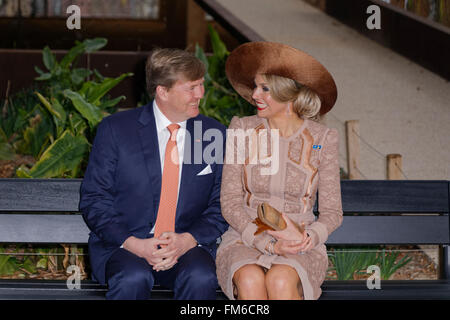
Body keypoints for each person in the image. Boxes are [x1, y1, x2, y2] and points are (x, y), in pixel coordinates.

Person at [80, 48, 228, 300]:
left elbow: (221, 202)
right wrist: (134, 244)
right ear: (163, 91)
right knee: (132, 279)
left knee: (201, 277)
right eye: (191, 88)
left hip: (186, 246)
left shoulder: (212, 133)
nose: (200, 94)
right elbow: (95, 198)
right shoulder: (116, 130)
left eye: (201, 85)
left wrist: (187, 240)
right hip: (125, 246)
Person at [216, 42, 343, 300]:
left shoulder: (323, 138)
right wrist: (267, 243)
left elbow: (332, 212)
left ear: (288, 94)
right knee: (250, 279)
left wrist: (309, 237)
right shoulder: (241, 129)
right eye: (254, 87)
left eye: (265, 88)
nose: (254, 95)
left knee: (280, 279)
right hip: (245, 237)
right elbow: (230, 203)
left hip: (300, 244)